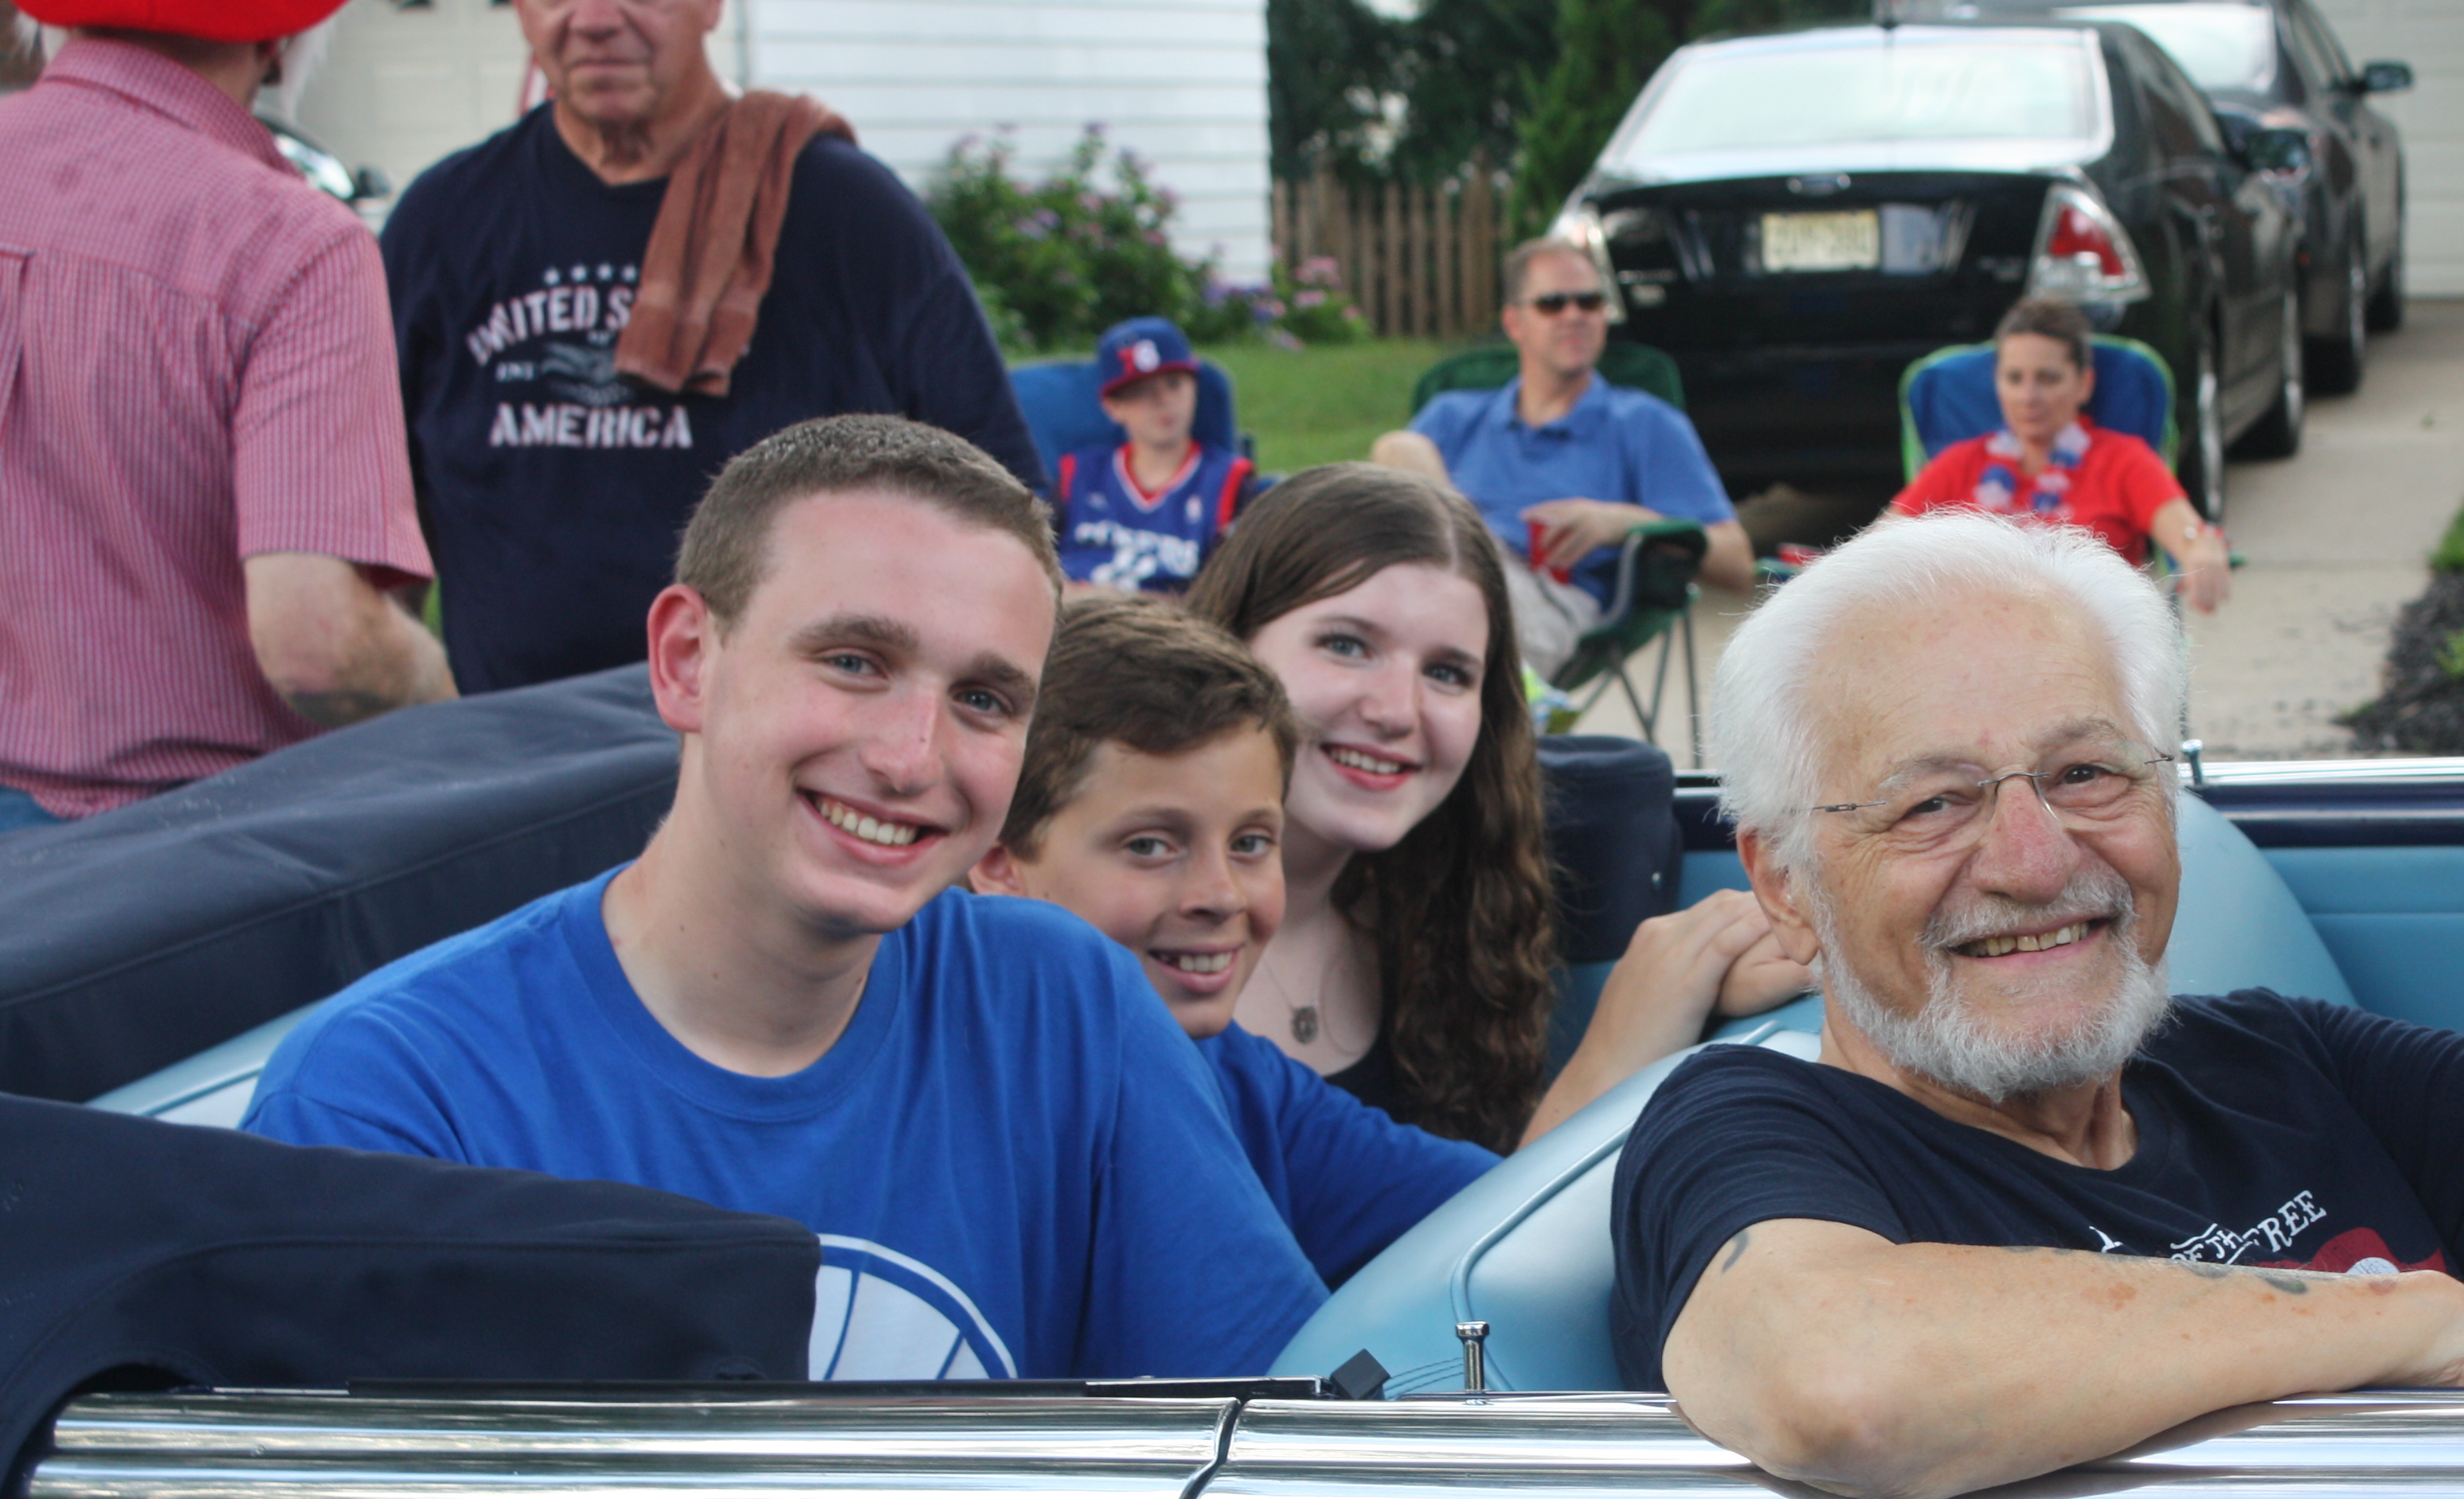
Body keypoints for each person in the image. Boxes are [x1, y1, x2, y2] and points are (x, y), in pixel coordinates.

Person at [1617, 282, 2464, 1499]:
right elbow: (1837, 1374)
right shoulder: (1752, 1127)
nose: (2034, 859)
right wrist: (2405, 1325)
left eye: (2088, 771)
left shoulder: (2262, 1061)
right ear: (1785, 888)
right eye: (1933, 801)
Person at [244, 413, 1326, 1382]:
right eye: (854, 661)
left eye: (986, 699)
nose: (912, 759)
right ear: (685, 662)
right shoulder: (392, 1100)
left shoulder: (1059, 1000)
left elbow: (1270, 1443)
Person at [379, 0, 1040, 696]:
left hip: (790, 760)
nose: (595, 16)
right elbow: (377, 539)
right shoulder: (443, 225)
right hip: (511, 768)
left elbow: (1007, 512)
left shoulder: (845, 216)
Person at [0, 0, 452, 829]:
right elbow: (321, 647)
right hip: (187, 868)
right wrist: (455, 717)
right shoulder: (295, 245)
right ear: (282, 33)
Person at [1187, 463, 1811, 1153]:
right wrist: (1617, 1047)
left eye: (1447, 673)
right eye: (1346, 645)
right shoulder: (1123, 941)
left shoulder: (1447, 919)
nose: (1398, 711)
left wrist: (1692, 989)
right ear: (1231, 646)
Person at [972, 592, 1497, 1282]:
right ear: (998, 861)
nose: (1221, 896)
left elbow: (1517, 1214)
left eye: (1251, 843)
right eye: (1151, 845)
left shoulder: (1247, 1089)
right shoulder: (943, 1094)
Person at [1372, 238, 1752, 675]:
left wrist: (1620, 521)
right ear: (1514, 322)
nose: (1574, 316)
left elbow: (1737, 562)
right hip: (1425, 579)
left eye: (1590, 302)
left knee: (1438, 621)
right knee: (1399, 450)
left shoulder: (1645, 423)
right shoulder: (1453, 415)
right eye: (1553, 303)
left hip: (1548, 600)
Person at [1889, 295, 2234, 615]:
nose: (2028, 396)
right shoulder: (1961, 464)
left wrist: (2202, 548)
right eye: (2014, 378)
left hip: (2094, 645)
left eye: (2048, 379)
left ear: (2084, 384)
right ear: (1997, 383)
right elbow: (1881, 545)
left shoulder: (2122, 461)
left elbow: (2189, 533)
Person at [1054, 318, 1253, 593]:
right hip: (1073, 624)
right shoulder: (1079, 473)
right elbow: (1035, 565)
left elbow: (1233, 596)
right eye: (1141, 391)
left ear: (1195, 386)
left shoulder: (1228, 481)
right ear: (1112, 407)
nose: (1162, 400)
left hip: (1171, 630)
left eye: (1173, 384)